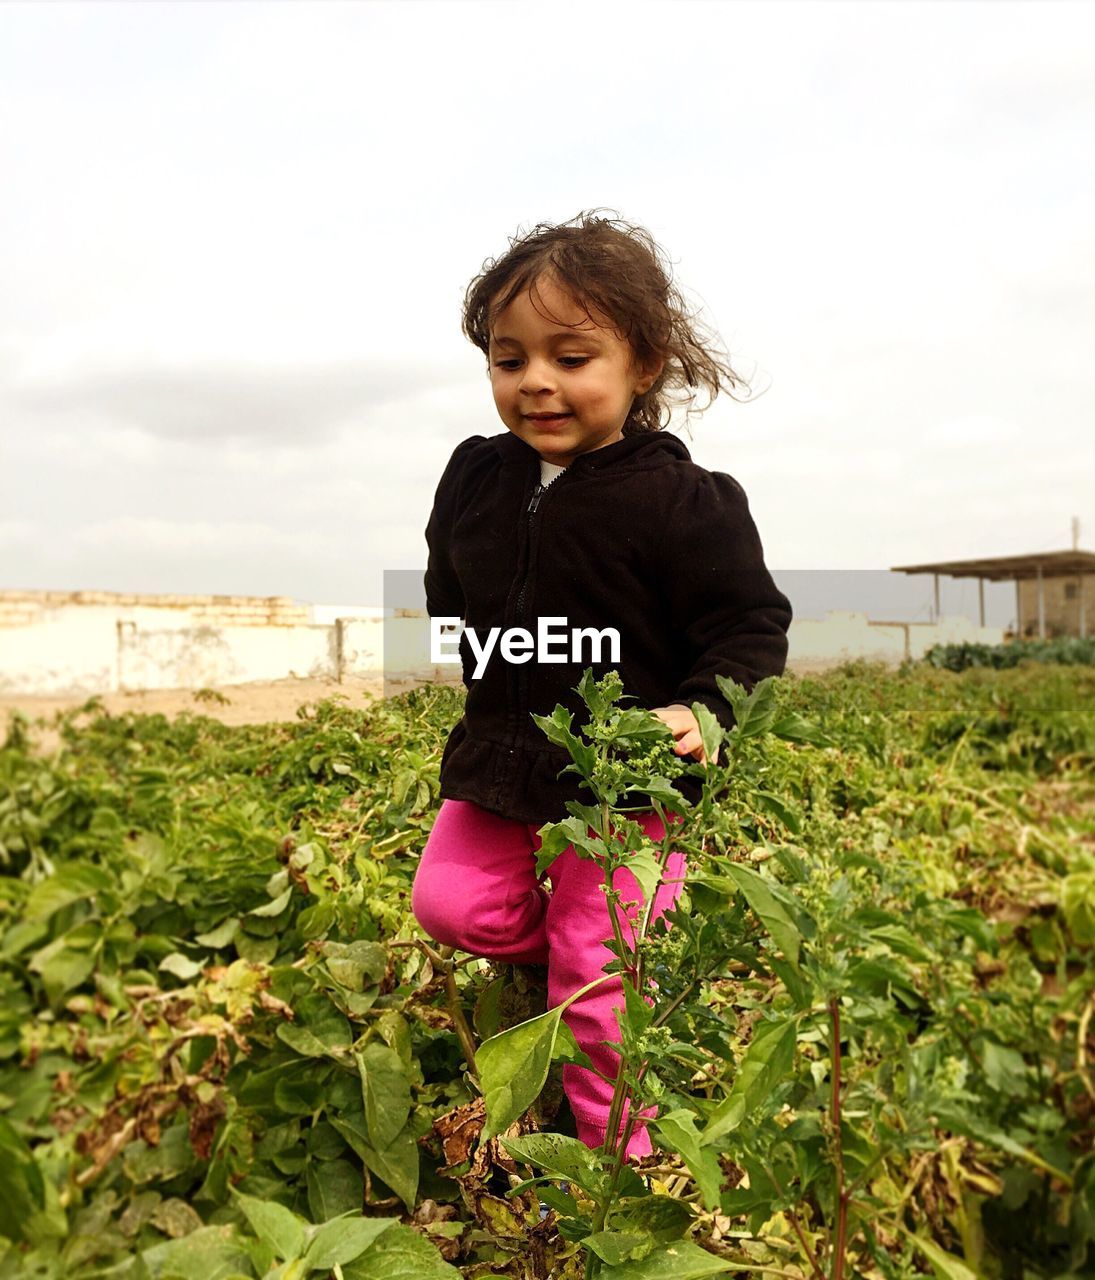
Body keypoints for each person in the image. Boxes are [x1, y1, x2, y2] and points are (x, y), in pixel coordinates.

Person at [412, 210, 792, 1159]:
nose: (536, 381)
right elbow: (444, 578)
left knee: (600, 966)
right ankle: (560, 966)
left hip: (628, 773)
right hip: (503, 750)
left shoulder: (686, 502)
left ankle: (615, 1156)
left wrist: (701, 708)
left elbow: (749, 626)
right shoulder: (474, 476)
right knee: (451, 906)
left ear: (645, 363)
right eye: (509, 359)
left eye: (571, 357)